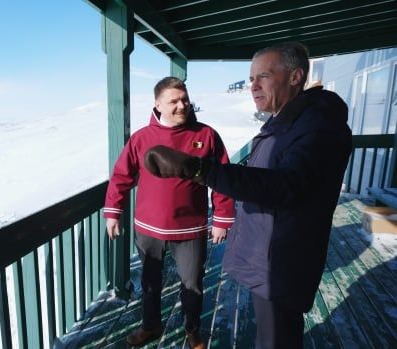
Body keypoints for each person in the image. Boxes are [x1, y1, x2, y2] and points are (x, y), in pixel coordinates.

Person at [143, 42, 352, 349]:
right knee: (270, 336)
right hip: (270, 255)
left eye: (263, 77)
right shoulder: (286, 123)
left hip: (283, 259)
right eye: (251, 79)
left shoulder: (318, 126)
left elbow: (285, 185)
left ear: (295, 77)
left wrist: (201, 170)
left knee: (275, 340)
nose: (252, 86)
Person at [104, 76, 235, 348]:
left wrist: (221, 219)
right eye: (173, 101)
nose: (181, 105)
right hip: (149, 227)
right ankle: (150, 326)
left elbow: (223, 177)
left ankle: (192, 330)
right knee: (150, 283)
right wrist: (113, 212)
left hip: (191, 227)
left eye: (184, 99)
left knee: (193, 284)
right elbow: (121, 176)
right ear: (157, 104)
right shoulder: (142, 138)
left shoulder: (206, 135)